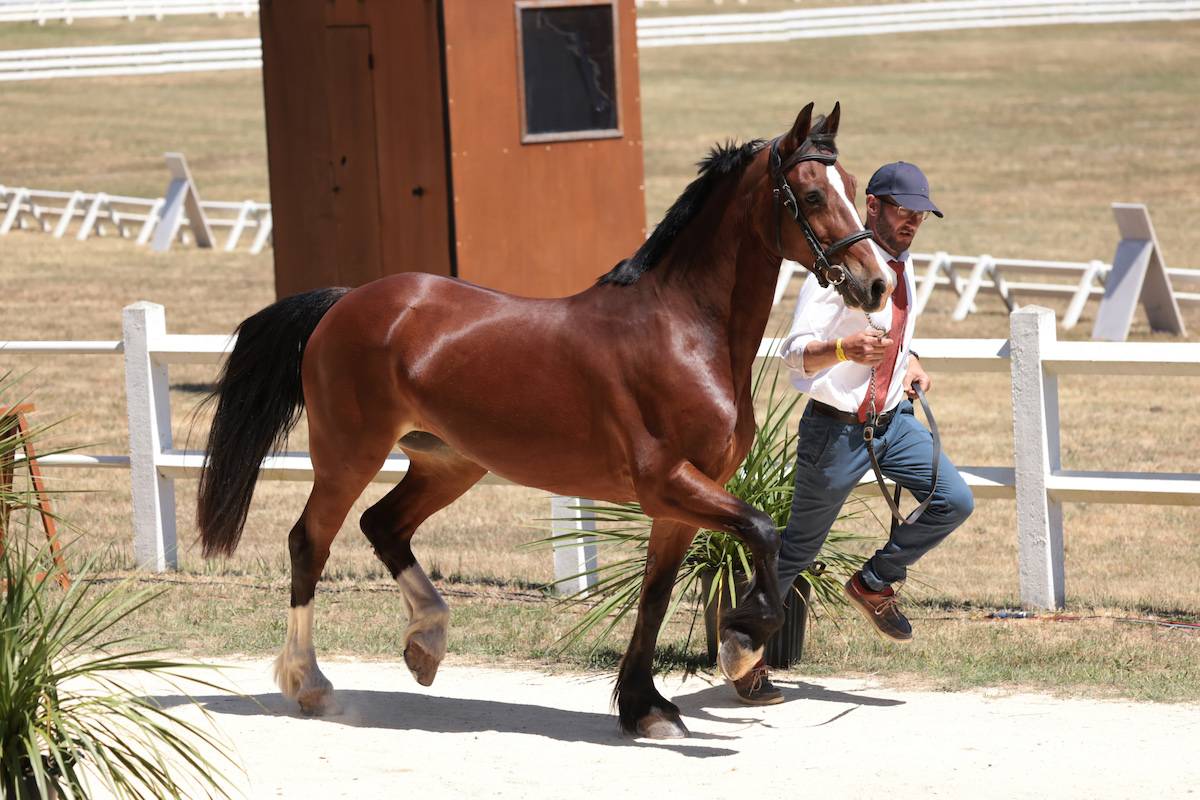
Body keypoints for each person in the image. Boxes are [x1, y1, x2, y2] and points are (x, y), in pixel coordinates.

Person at [733, 162, 975, 705]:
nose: (912, 222)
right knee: (797, 550)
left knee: (953, 500)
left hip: (893, 424)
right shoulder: (838, 271)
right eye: (902, 210)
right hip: (836, 433)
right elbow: (792, 354)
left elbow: (891, 331)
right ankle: (743, 646)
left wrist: (908, 360)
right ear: (872, 205)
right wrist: (843, 351)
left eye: (920, 214)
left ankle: (874, 582)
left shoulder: (902, 265)